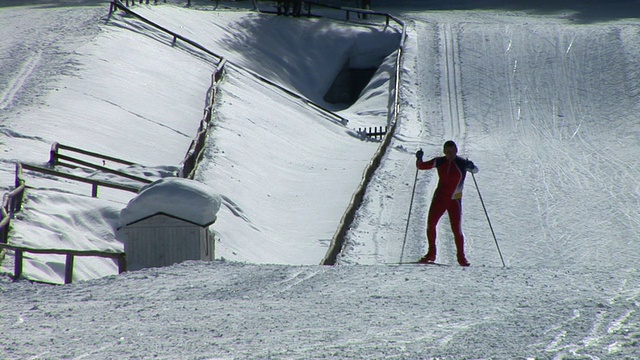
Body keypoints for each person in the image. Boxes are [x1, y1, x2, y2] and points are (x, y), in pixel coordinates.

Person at [415, 140, 478, 266]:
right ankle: (431, 253)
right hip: (440, 198)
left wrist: (471, 166)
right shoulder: (440, 161)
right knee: (431, 224)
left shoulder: (462, 163)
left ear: (456, 151)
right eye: (447, 152)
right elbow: (421, 166)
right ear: (444, 151)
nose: (450, 154)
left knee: (456, 229)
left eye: (452, 151)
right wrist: (419, 159)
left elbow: (475, 170)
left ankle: (461, 258)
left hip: (455, 200)